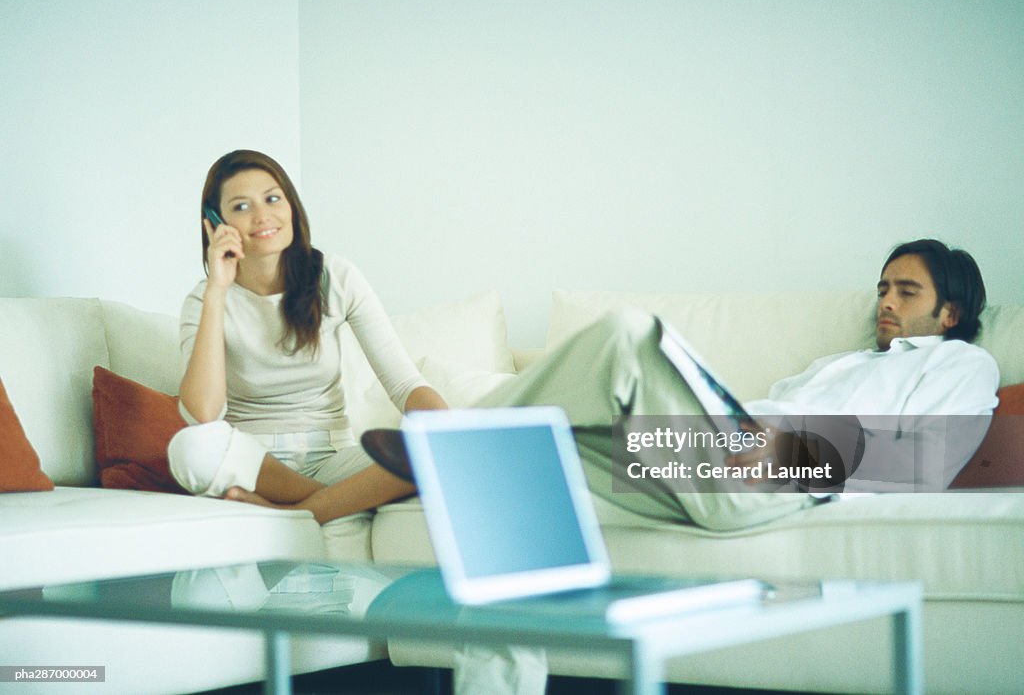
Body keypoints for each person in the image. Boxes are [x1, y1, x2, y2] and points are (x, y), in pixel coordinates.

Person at [224, 238, 999, 530]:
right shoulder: (840, 364)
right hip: (695, 455)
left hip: (772, 473)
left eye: (905, 292)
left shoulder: (961, 364)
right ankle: (415, 469)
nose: (885, 302)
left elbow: (925, 465)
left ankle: (446, 446)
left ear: (951, 311)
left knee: (630, 335)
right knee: (525, 467)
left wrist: (784, 454)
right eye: (883, 288)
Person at [167, 149, 448, 519]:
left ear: (291, 206)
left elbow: (403, 383)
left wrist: (449, 434)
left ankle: (301, 510)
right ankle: (342, 502)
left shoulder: (335, 277)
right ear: (216, 222)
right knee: (190, 448)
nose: (262, 215)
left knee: (428, 452)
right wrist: (217, 290)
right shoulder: (204, 299)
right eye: (241, 207)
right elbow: (204, 413)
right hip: (256, 465)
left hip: (333, 456)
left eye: (272, 199)